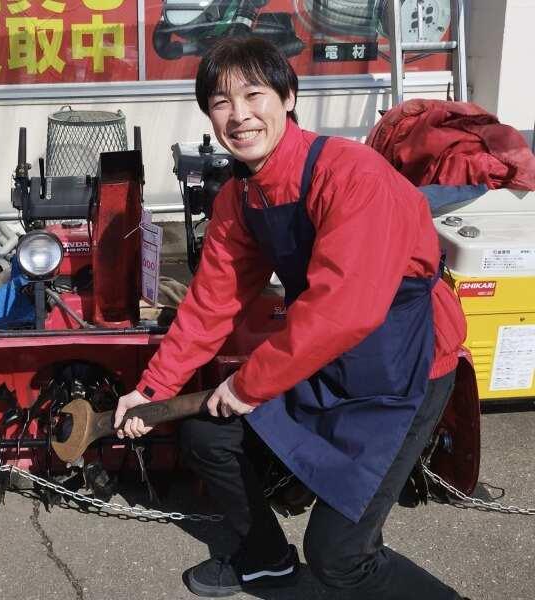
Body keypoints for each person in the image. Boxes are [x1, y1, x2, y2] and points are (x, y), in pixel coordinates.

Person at [113, 36, 470, 599]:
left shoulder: (354, 176)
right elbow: (211, 303)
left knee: (340, 559)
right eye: (221, 102)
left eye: (254, 94)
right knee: (207, 435)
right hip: (324, 359)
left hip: (405, 367)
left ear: (289, 96)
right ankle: (266, 560)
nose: (239, 115)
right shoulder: (242, 197)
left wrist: (250, 384)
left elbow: (344, 308)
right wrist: (152, 389)